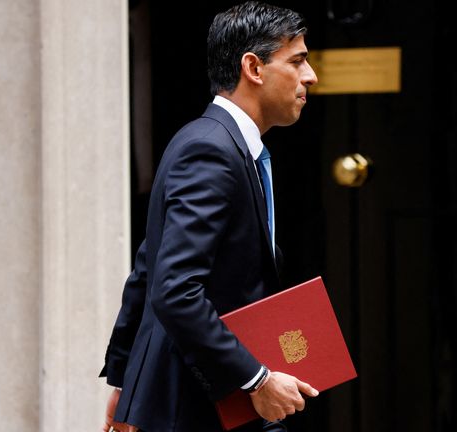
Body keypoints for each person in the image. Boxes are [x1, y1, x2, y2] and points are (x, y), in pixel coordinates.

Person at [99, 2, 319, 431]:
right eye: (297, 61)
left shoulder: (224, 145)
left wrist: (126, 379)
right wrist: (257, 381)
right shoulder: (211, 151)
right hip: (197, 406)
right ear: (253, 68)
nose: (310, 76)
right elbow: (174, 290)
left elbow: (149, 266)